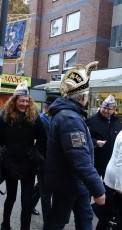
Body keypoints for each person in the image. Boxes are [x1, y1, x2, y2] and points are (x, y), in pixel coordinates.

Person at [44, 62, 106, 229]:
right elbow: (80, 159)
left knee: (82, 218)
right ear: (83, 97)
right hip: (69, 181)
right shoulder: (71, 119)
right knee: (58, 221)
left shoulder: (67, 115)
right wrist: (98, 189)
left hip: (71, 180)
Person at [0, 80, 47, 230]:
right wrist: (1, 152)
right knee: (10, 197)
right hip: (10, 164)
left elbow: (43, 138)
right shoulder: (5, 117)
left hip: (28, 164)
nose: (25, 104)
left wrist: (36, 152)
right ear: (14, 101)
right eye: (21, 100)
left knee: (26, 200)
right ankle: (5, 225)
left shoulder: (34, 117)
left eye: (27, 101)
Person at [31, 94, 59, 220]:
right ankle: (48, 222)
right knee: (46, 194)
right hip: (44, 161)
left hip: (50, 161)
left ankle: (29, 205)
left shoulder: (53, 118)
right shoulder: (42, 120)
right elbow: (48, 140)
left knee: (41, 188)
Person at [86, 94, 122, 178]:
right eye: (104, 108)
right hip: (96, 161)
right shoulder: (91, 120)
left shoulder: (116, 122)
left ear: (114, 110)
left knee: (109, 187)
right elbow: (83, 138)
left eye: (108, 109)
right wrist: (95, 142)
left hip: (112, 162)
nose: (105, 111)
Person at [102, 130, 122, 229]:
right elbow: (121, 164)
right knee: (113, 213)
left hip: (114, 177)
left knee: (109, 212)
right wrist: (120, 186)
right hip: (117, 180)